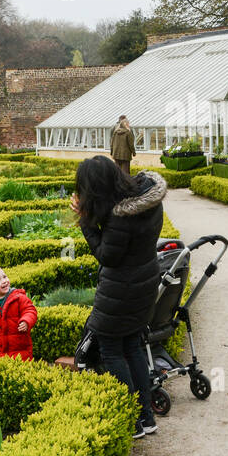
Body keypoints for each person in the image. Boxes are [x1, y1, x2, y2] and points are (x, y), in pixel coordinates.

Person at [70, 155, 165, 438]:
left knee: (112, 350)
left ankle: (132, 420)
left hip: (120, 291)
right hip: (144, 286)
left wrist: (86, 222)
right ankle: (146, 417)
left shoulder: (120, 215)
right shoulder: (148, 198)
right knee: (133, 347)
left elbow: (107, 257)